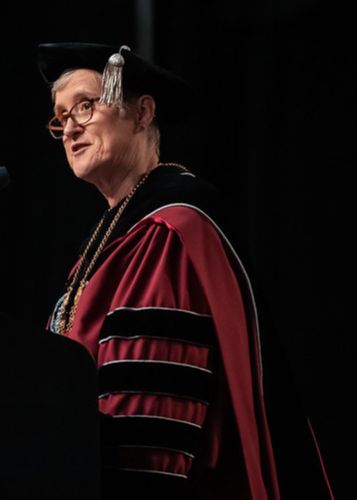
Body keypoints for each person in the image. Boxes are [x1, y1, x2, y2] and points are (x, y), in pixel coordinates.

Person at [37, 42, 333, 499]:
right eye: (61, 117)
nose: (71, 127)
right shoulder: (100, 245)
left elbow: (150, 419)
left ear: (142, 112)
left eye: (86, 105)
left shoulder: (170, 228)